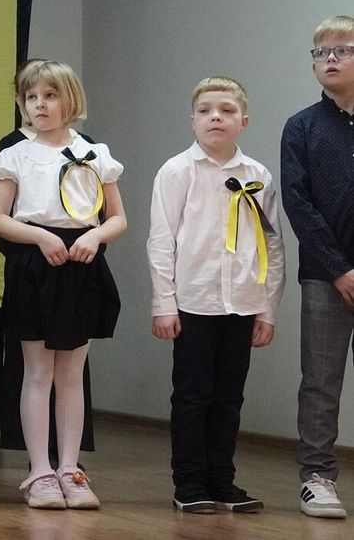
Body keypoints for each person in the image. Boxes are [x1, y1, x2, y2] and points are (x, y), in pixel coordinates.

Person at [0, 60, 126, 512]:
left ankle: (70, 468)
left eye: (49, 96)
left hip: (80, 263)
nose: (40, 105)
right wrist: (40, 237)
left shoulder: (95, 152)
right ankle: (40, 471)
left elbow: (117, 218)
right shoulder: (15, 154)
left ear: (70, 100)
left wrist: (95, 236)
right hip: (36, 263)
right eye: (31, 97)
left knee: (71, 373)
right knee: (37, 371)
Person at [148, 76, 284, 514]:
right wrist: (163, 303)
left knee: (229, 396)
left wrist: (267, 308)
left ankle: (223, 480)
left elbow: (272, 244)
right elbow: (161, 241)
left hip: (242, 302)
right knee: (192, 395)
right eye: (205, 110)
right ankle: (189, 482)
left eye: (227, 110)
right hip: (194, 302)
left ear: (244, 121)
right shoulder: (177, 171)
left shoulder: (258, 176)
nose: (216, 117)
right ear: (192, 120)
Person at [282, 14, 354, 520]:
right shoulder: (302, 126)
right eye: (321, 52)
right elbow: (297, 202)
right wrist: (339, 269)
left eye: (343, 49)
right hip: (326, 276)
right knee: (321, 381)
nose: (330, 59)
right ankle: (317, 477)